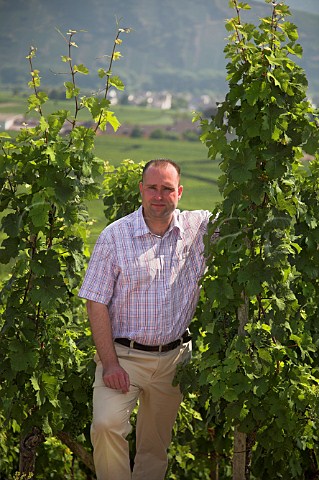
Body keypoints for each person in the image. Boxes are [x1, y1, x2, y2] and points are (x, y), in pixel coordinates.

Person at [78, 158, 212, 480]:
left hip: (173, 360)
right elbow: (95, 303)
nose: (159, 195)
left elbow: (241, 222)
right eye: (152, 187)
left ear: (179, 193)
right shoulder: (115, 237)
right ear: (141, 189)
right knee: (106, 425)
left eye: (167, 189)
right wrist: (109, 364)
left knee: (155, 448)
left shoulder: (198, 229)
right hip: (123, 356)